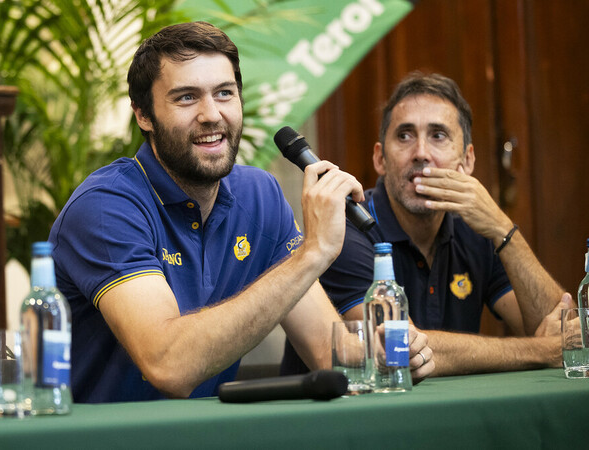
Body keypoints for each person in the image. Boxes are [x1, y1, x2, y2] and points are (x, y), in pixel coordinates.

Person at [49, 22, 434, 403]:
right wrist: (313, 254)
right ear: (143, 115)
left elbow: (328, 354)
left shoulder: (259, 195)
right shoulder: (106, 206)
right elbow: (169, 366)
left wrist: (380, 357)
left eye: (224, 93)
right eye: (186, 98)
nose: (211, 114)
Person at [282, 72, 571, 377]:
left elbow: (558, 328)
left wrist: (502, 229)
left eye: (438, 135)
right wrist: (541, 350)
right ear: (380, 159)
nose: (421, 153)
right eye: (404, 136)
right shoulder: (344, 227)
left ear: (467, 161)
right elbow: (396, 348)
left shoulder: (478, 228)